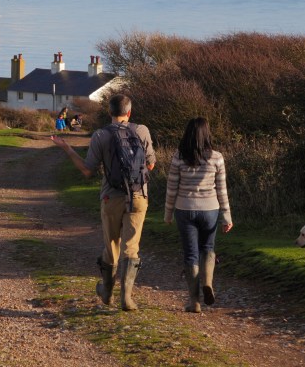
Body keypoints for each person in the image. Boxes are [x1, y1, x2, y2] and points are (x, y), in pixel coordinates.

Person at [51, 94, 156, 311]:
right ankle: (126, 297)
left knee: (112, 245)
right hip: (138, 196)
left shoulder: (100, 135)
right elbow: (151, 165)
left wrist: (67, 148)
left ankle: (107, 291)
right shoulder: (142, 130)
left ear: (109, 112)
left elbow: (87, 170)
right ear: (129, 112)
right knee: (131, 246)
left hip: (111, 197)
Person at [164, 117, 233, 313]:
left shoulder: (178, 156)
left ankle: (194, 301)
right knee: (208, 248)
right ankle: (208, 282)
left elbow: (171, 188)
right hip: (210, 209)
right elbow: (222, 190)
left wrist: (168, 213)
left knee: (190, 254)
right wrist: (226, 216)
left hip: (184, 209)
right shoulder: (217, 157)